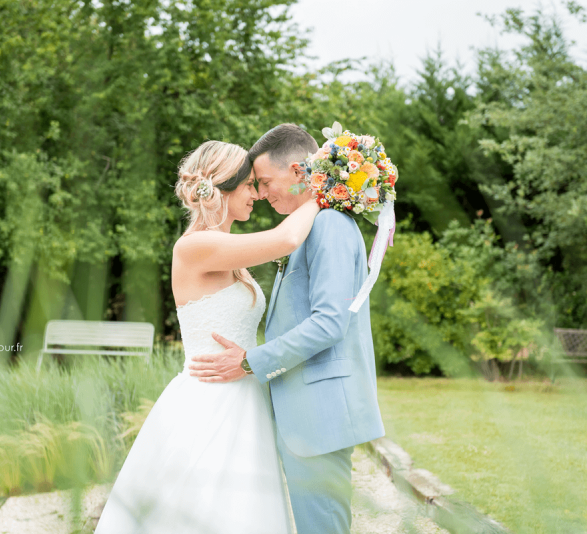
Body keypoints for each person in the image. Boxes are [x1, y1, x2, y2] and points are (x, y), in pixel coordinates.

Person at [93, 139, 319, 534]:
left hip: (243, 394)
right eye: (250, 185)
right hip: (209, 400)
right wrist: (327, 192)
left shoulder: (229, 251)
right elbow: (285, 239)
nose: (258, 194)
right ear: (223, 187)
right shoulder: (195, 246)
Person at [189, 124, 386, 534]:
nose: (261, 193)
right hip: (302, 413)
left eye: (263, 182)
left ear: (299, 172)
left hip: (320, 414)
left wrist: (249, 362)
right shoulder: (304, 228)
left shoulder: (328, 224)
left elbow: (330, 322)